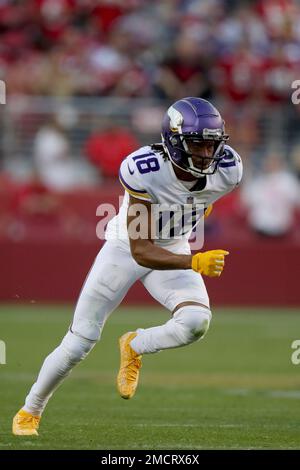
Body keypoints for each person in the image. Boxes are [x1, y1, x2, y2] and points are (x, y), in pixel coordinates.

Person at [12, 97, 243, 436]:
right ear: (175, 143)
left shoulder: (229, 169)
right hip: (126, 248)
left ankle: (135, 345)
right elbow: (141, 250)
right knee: (80, 341)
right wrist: (194, 260)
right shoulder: (144, 170)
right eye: (197, 144)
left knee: (196, 322)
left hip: (174, 243)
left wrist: (196, 212)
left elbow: (204, 198)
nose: (207, 153)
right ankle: (30, 410)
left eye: (212, 144)